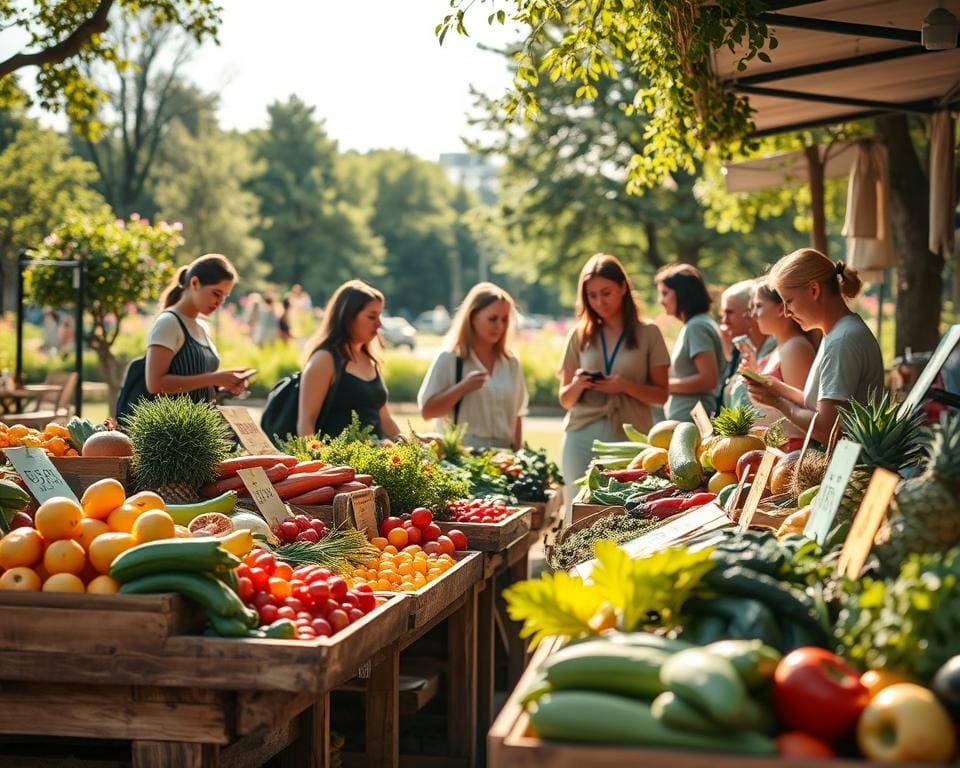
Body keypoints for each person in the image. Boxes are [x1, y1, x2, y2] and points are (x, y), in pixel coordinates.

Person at [560, 254, 670, 521]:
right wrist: (578, 384)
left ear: (623, 287)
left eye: (606, 293)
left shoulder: (649, 334)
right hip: (580, 436)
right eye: (592, 295)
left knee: (624, 518)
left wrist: (625, 386)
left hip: (629, 439)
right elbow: (565, 399)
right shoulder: (579, 334)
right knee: (576, 516)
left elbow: (661, 394)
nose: (600, 302)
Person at [744, 249, 884, 445]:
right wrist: (776, 388)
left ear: (813, 290)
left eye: (789, 301)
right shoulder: (837, 333)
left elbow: (828, 429)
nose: (786, 312)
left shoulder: (842, 340)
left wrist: (777, 402)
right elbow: (818, 403)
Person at [418, 282, 529, 450]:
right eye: (492, 319)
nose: (499, 325)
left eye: (505, 319)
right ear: (472, 317)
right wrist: (462, 387)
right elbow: (427, 412)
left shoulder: (511, 362)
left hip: (504, 457)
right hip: (460, 458)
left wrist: (518, 455)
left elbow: (518, 415)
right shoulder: (450, 358)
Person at [296, 280, 401, 440]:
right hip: (336, 461)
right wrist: (315, 461)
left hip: (375, 459)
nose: (379, 324)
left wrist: (414, 448)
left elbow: (385, 420)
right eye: (372, 316)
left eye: (379, 316)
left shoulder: (371, 359)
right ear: (348, 317)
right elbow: (306, 423)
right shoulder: (325, 359)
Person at [144, 254, 250, 402]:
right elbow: (155, 384)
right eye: (216, 293)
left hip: (200, 422)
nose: (220, 302)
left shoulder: (203, 327)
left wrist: (223, 384)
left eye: (224, 296)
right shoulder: (169, 322)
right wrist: (213, 378)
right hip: (174, 423)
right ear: (195, 283)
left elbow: (197, 382)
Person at [741, 279, 816, 448]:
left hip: (789, 450)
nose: (753, 314)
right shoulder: (781, 347)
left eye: (758, 306)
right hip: (774, 447)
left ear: (781, 308)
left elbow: (805, 407)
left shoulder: (795, 347)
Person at [655, 263, 725, 422]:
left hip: (693, 424)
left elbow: (708, 379)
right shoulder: (696, 324)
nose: (661, 300)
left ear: (682, 293)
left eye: (665, 293)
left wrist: (664, 386)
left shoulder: (697, 327)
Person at [718, 280, 775, 411]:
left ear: (749, 312)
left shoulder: (774, 351)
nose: (724, 320)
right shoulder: (745, 349)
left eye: (730, 312)